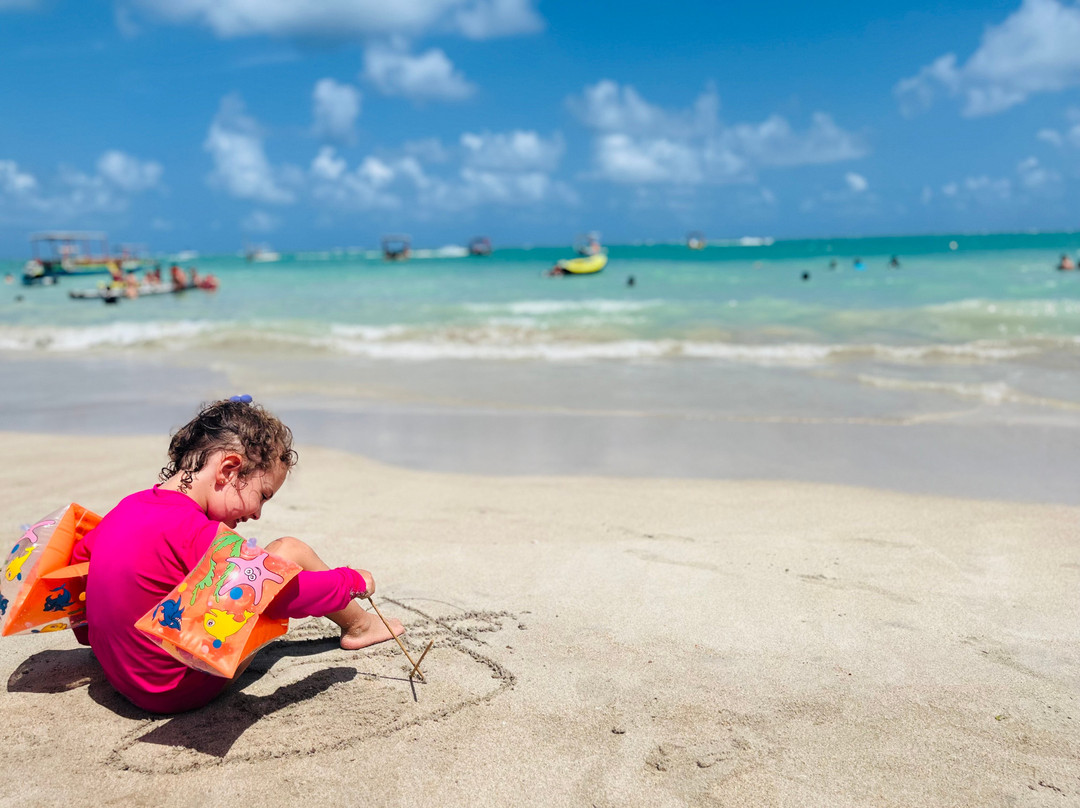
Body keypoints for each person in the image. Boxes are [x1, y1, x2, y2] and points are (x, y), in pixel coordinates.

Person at [70, 397, 404, 714]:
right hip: (179, 687)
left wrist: (94, 633)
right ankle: (362, 626)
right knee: (289, 549)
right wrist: (351, 580)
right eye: (263, 495)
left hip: (121, 679)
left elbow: (78, 563)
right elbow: (282, 596)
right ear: (229, 469)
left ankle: (362, 625)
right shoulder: (196, 532)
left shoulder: (127, 506)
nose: (258, 514)